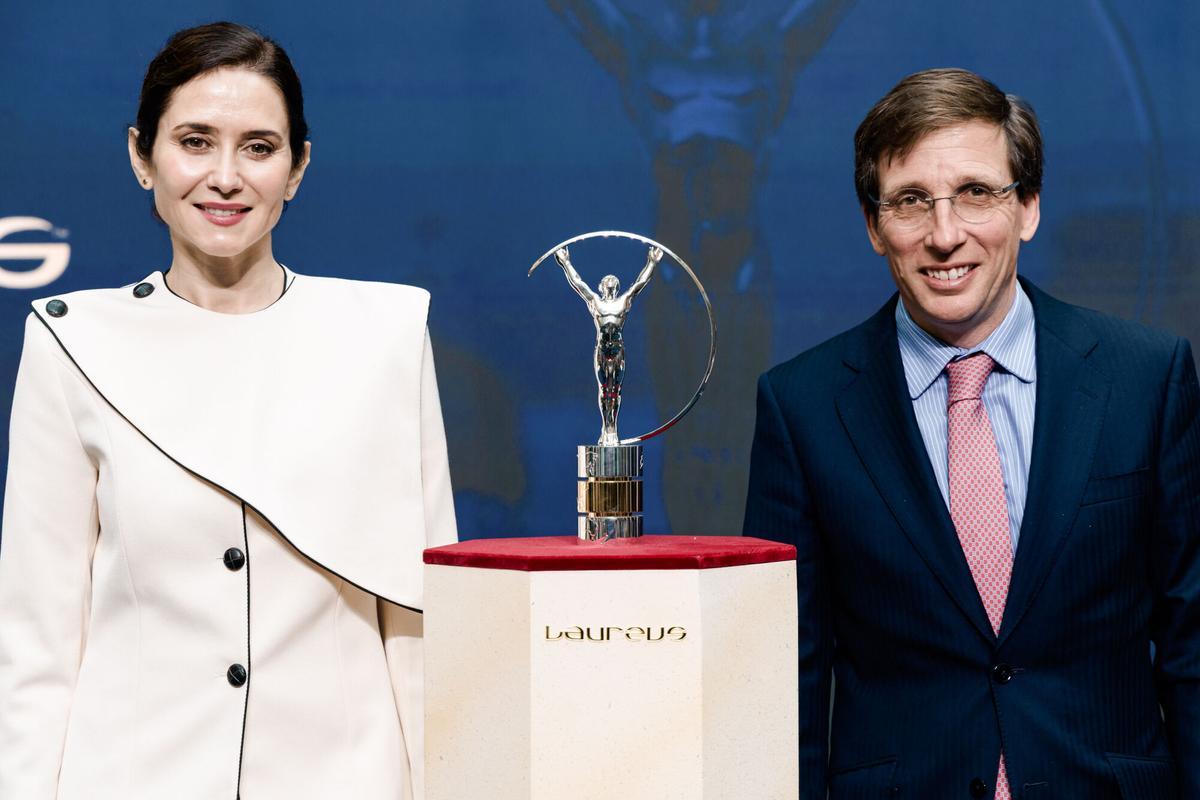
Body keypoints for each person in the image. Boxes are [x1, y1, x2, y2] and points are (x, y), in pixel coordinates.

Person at [0, 22, 456, 800]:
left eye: (258, 147)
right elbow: (39, 642)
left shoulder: (382, 338)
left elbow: (419, 621)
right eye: (195, 141)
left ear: (298, 167)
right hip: (133, 777)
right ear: (142, 157)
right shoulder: (74, 343)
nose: (224, 177)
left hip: (341, 778)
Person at [744, 68, 1198, 798]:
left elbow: (1192, 642)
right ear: (873, 225)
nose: (945, 235)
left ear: (1029, 207)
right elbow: (781, 676)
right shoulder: (803, 406)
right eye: (911, 202)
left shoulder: (1147, 378)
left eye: (977, 193)